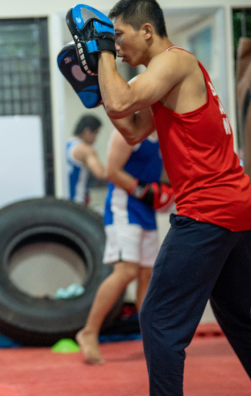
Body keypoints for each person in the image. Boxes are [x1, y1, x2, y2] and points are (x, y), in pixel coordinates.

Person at [69, 0, 251, 395]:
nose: (116, 45)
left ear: (147, 30)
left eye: (119, 36)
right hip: (236, 207)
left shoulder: (172, 60)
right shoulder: (170, 75)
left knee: (157, 318)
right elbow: (133, 128)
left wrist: (101, 54)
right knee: (238, 318)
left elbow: (122, 100)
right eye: (111, 39)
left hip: (209, 210)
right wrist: (100, 92)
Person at [76, 130, 171, 365]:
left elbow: (163, 173)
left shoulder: (162, 132)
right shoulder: (128, 132)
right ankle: (88, 332)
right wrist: (144, 192)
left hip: (145, 212)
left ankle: (151, 339)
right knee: (127, 271)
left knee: (147, 275)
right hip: (123, 207)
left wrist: (165, 191)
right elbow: (111, 172)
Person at [66, 115, 106, 206]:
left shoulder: (67, 144)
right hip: (77, 202)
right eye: (96, 133)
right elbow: (101, 173)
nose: (96, 138)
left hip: (65, 203)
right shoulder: (86, 149)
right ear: (87, 132)